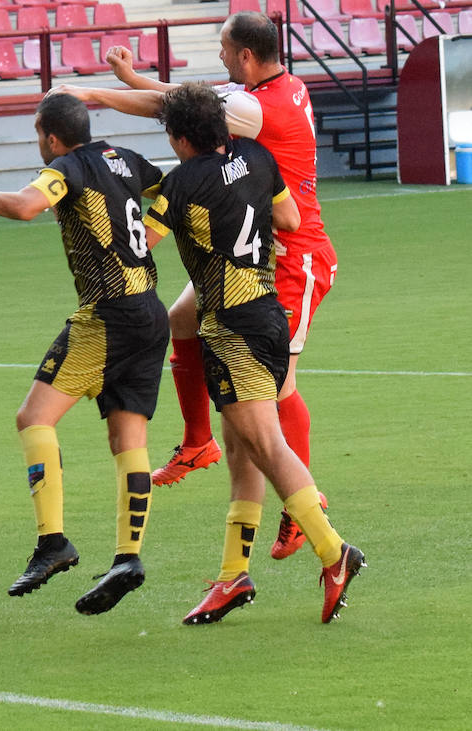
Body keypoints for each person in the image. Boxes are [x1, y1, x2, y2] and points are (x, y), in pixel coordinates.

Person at [56, 11, 338, 561]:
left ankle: (304, 509)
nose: (220, 57)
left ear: (248, 57)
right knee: (181, 319)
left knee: (279, 392)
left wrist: (94, 94)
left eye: (225, 49)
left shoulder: (256, 106)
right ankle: (197, 442)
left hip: (290, 257)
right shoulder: (277, 85)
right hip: (258, 245)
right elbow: (192, 102)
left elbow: (177, 108)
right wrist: (131, 80)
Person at [0, 92, 168, 616]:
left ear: (51, 137)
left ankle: (53, 541)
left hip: (107, 314)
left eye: (38, 135)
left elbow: (26, 206)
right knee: (128, 436)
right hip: (151, 311)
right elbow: (178, 188)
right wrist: (157, 228)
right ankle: (128, 556)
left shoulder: (66, 167)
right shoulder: (123, 157)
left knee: (34, 418)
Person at [140, 83, 363, 625]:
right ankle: (231, 577)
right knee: (241, 455)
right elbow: (288, 221)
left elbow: (143, 242)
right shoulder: (258, 156)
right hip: (266, 311)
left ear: (179, 137)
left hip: (230, 328)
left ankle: (336, 555)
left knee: (264, 444)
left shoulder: (182, 182)